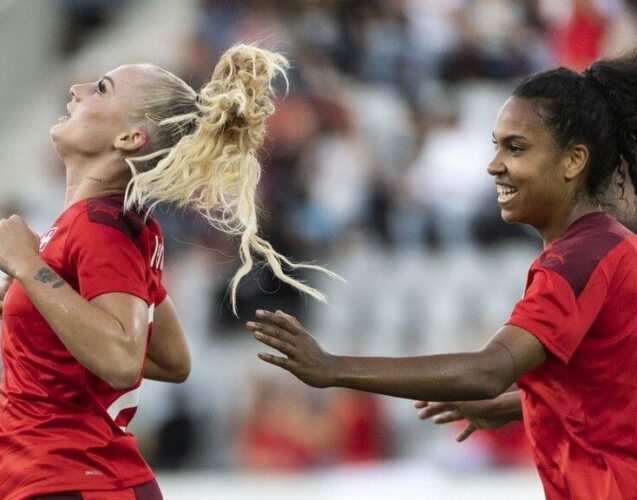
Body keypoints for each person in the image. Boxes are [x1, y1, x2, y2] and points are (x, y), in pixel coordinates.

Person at [247, 52, 637, 499]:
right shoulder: (612, 246)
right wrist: (518, 406)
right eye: (496, 146)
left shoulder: (579, 261)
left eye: (516, 147)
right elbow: (612, 391)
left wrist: (332, 368)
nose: (495, 165)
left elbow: (491, 369)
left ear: (573, 162)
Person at [0, 44, 333, 499]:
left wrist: (29, 269)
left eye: (100, 88)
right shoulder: (117, 225)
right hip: (66, 478)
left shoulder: (98, 228)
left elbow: (120, 359)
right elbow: (171, 359)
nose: (76, 90)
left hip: (70, 480)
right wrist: (47, 298)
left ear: (129, 138)